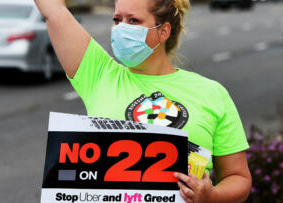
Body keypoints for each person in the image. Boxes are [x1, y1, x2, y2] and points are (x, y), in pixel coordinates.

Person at [34, 0, 252, 202]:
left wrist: (211, 196)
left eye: (133, 20)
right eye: (117, 19)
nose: (121, 29)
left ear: (163, 31)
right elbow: (54, 11)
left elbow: (238, 177)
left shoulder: (212, 93)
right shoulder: (99, 74)